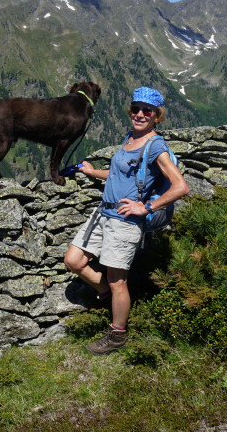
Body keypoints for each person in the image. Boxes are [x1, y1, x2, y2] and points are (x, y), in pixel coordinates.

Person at [63, 86, 190, 355]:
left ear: (157, 115)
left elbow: (180, 186)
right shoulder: (130, 138)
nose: (140, 114)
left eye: (148, 111)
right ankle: (110, 297)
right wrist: (91, 171)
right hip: (103, 213)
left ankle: (117, 335)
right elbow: (119, 173)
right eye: (136, 109)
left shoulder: (156, 146)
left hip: (124, 221)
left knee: (117, 280)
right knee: (73, 261)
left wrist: (146, 207)